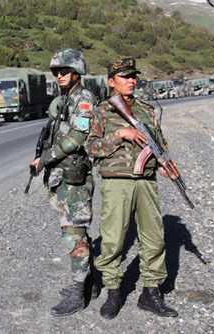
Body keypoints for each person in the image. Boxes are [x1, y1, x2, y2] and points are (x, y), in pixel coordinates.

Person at [85, 58, 178, 319]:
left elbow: (160, 143)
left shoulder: (147, 110)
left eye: (134, 76)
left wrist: (165, 163)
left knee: (154, 237)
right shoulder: (103, 110)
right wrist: (119, 134)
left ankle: (151, 292)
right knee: (113, 239)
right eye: (125, 77)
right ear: (111, 81)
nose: (131, 81)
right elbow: (91, 148)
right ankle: (113, 291)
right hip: (117, 182)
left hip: (146, 182)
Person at [31, 48, 98, 316]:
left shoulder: (83, 99)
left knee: (73, 235)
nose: (59, 75)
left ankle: (76, 292)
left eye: (64, 71)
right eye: (56, 71)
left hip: (74, 180)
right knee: (75, 231)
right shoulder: (65, 99)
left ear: (77, 72)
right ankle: (88, 282)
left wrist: (48, 157)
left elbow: (78, 138)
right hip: (63, 178)